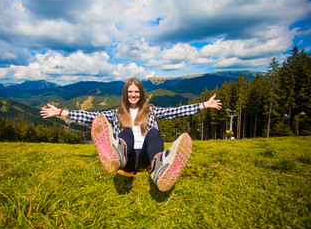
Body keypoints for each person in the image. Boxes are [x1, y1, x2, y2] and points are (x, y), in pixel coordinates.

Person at [40, 78, 222, 191]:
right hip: (127, 160)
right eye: (130, 92)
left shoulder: (151, 110)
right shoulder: (117, 113)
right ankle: (116, 154)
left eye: (136, 92)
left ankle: (160, 168)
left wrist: (203, 105)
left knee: (154, 134)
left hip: (146, 158)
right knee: (126, 131)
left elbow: (177, 111)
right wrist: (61, 112)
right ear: (125, 95)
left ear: (141, 94)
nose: (133, 95)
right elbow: (92, 117)